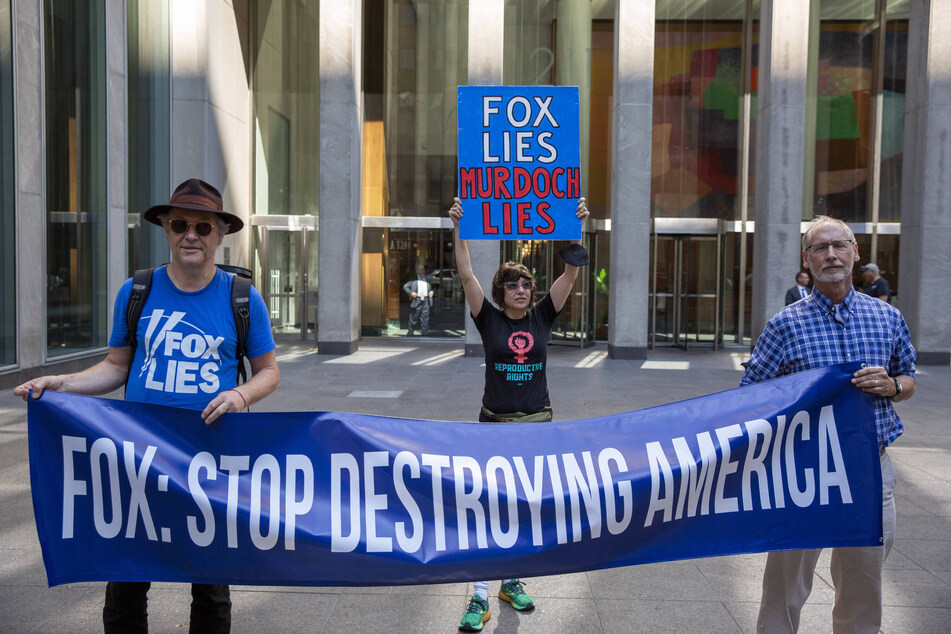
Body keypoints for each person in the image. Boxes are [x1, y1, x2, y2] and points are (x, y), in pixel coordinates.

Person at [15, 178, 280, 633]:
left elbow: (269, 371)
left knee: (211, 584)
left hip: (208, 459)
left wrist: (239, 395)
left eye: (202, 226)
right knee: (127, 577)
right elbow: (116, 366)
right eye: (179, 224)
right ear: (165, 230)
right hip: (137, 456)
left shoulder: (241, 298)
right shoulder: (137, 291)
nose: (190, 235)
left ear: (220, 235)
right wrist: (63, 383)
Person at [741, 215, 916, 633]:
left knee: (863, 587)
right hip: (804, 475)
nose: (831, 255)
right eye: (820, 248)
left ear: (856, 252)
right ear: (807, 258)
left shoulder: (887, 317)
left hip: (870, 472)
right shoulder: (784, 324)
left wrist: (893, 385)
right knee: (784, 589)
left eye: (839, 245)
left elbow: (908, 378)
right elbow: (749, 394)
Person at [448, 196, 589, 632]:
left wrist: (575, 227)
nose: (522, 289)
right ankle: (478, 596)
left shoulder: (543, 316)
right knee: (486, 510)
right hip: (492, 428)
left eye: (526, 283)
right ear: (499, 292)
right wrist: (458, 227)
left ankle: (512, 580)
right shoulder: (488, 319)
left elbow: (570, 271)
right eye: (512, 284)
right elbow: (466, 271)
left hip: (536, 431)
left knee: (523, 510)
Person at [403, 264, 435, 335]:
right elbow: (405, 286)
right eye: (421, 269)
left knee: (425, 319)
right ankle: (410, 333)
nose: (423, 271)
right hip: (417, 299)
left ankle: (424, 333)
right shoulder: (413, 278)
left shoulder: (427, 278)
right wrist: (411, 293)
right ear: (417, 271)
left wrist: (432, 291)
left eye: (424, 269)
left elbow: (433, 287)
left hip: (426, 300)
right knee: (414, 317)